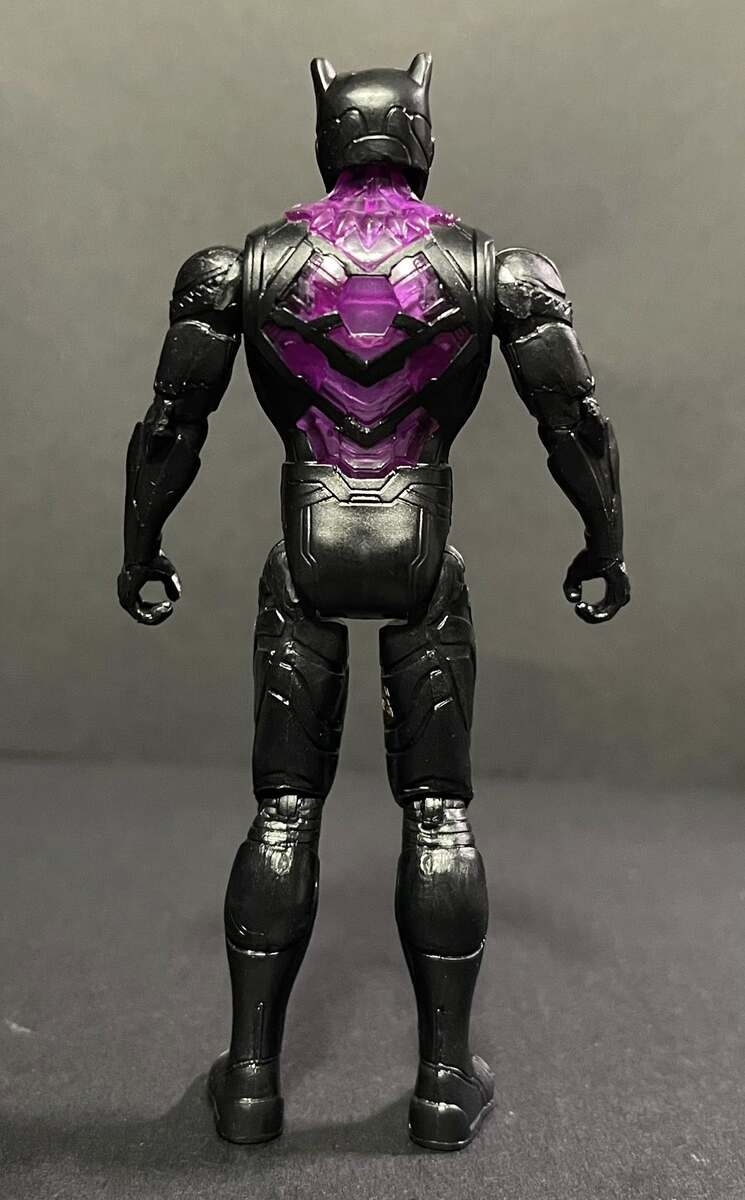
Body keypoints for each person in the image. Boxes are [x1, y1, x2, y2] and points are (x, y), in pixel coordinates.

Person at [118, 53, 630, 1151]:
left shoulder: (241, 267)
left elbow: (170, 423)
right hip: (419, 548)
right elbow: (575, 421)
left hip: (308, 545)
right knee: (437, 812)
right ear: (419, 133)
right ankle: (441, 1089)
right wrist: (605, 541)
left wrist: (141, 545)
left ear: (328, 134)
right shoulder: (493, 268)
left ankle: (250, 1083)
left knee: (283, 811)